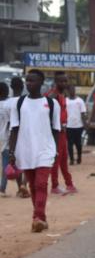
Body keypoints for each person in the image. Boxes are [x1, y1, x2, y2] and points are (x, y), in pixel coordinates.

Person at [7, 69, 60, 232]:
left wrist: (55, 150)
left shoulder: (51, 103)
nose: (29, 83)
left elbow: (56, 129)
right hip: (25, 151)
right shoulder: (19, 103)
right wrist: (12, 151)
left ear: (41, 83)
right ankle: (41, 219)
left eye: (33, 80)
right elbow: (14, 129)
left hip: (45, 150)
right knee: (32, 186)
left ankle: (36, 217)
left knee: (41, 183)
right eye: (27, 80)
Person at [47, 72, 77, 194]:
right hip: (56, 132)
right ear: (56, 82)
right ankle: (55, 185)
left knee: (64, 158)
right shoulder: (53, 96)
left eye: (65, 81)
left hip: (63, 131)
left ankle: (69, 184)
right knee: (56, 158)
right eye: (61, 81)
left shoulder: (62, 95)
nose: (64, 83)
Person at [5, 77, 28, 198]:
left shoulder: (7, 102)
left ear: (11, 87)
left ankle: (20, 188)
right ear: (23, 87)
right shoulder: (25, 101)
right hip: (24, 133)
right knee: (29, 160)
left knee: (16, 161)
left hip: (11, 135)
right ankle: (25, 184)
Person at [64, 85, 86, 165]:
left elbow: (83, 113)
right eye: (70, 90)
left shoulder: (80, 101)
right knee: (69, 144)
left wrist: (85, 124)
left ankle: (79, 156)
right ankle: (72, 159)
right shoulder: (65, 101)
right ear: (68, 91)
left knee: (78, 143)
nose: (72, 91)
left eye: (73, 90)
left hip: (78, 126)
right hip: (69, 125)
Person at [0, 82, 10, 197]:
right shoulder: (9, 104)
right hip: (6, 137)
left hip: (2, 138)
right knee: (7, 164)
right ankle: (2, 187)